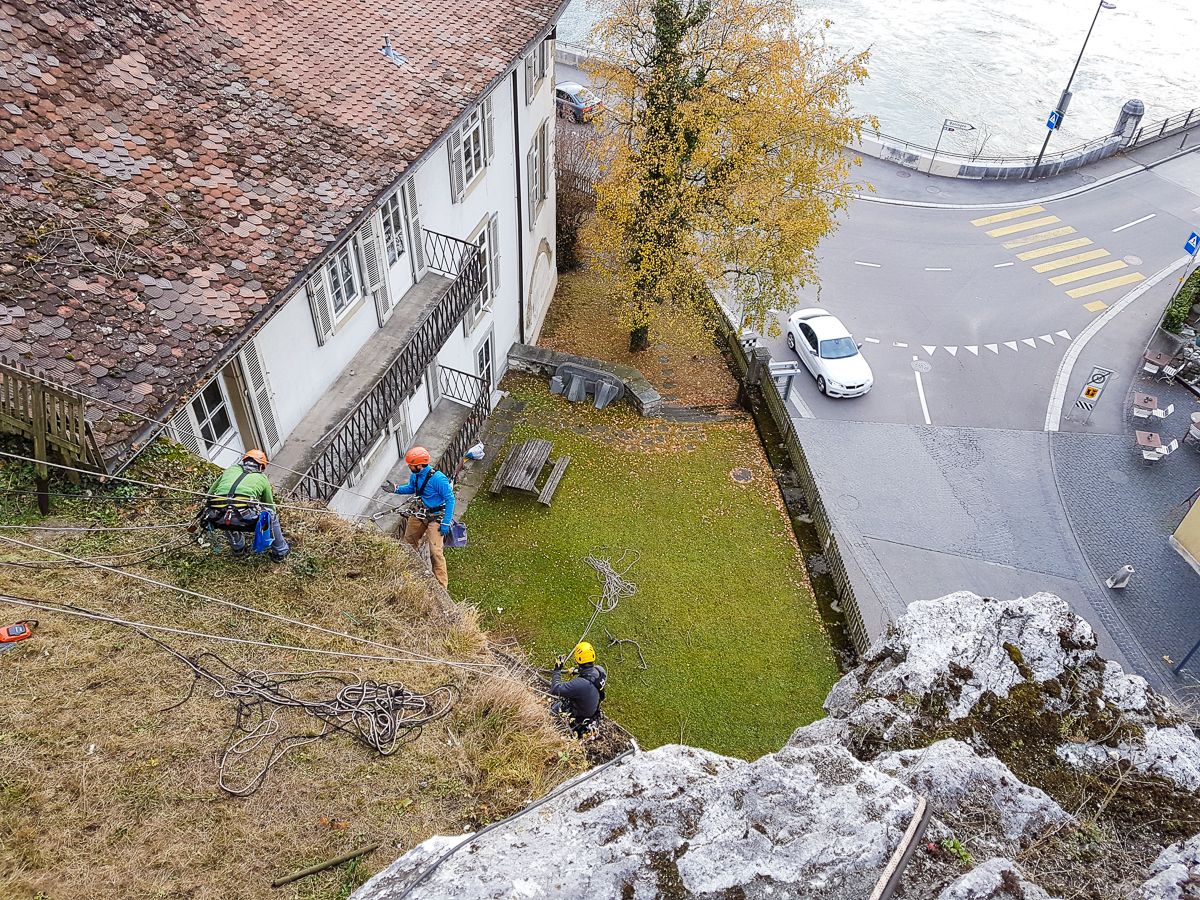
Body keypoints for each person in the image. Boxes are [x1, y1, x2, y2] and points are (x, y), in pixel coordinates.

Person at [203, 449, 289, 560]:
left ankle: (238, 548)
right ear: (261, 467)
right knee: (270, 515)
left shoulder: (231, 469)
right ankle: (281, 551)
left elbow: (210, 493)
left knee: (227, 512)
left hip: (217, 516)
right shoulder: (262, 478)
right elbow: (268, 504)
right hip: (244, 516)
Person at [392, 446, 455, 589]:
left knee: (435, 552)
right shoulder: (415, 476)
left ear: (420, 465)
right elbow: (412, 488)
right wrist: (396, 489)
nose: (409, 467)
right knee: (408, 543)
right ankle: (407, 572)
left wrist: (445, 523)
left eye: (411, 465)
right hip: (420, 512)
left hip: (436, 516)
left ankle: (442, 587)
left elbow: (450, 499)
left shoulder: (438, 479)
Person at [550, 642, 607, 738]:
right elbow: (589, 673)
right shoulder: (600, 671)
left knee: (554, 710)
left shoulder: (580, 684)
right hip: (592, 714)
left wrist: (557, 669)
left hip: (578, 719)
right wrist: (578, 671)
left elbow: (555, 689)